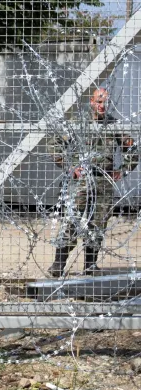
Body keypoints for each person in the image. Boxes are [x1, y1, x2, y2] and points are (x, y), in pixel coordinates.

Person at [49, 87, 137, 277]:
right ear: (91, 102)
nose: (102, 106)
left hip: (102, 182)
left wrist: (121, 171)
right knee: (71, 220)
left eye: (105, 102)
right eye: (99, 101)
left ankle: (90, 265)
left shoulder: (114, 125)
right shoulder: (78, 122)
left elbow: (133, 150)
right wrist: (69, 166)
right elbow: (55, 143)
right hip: (80, 181)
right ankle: (58, 263)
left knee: (97, 225)